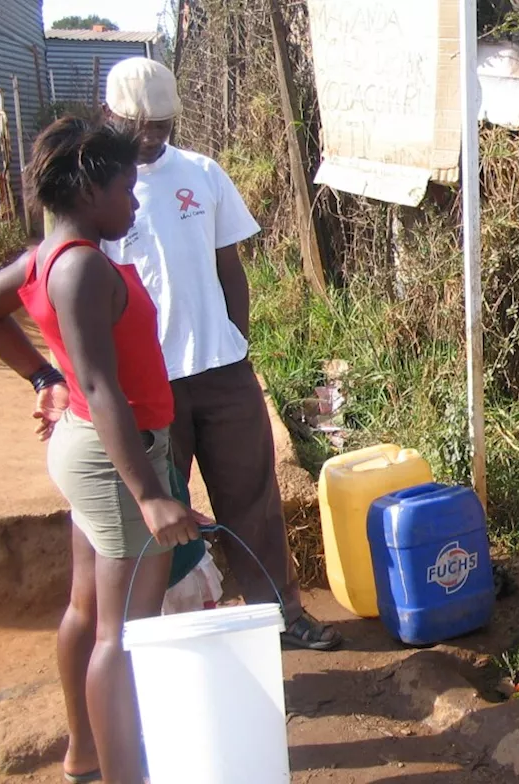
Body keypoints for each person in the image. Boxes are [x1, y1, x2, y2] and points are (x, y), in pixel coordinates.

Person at [0, 116, 209, 783]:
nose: (134, 203)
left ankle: (84, 754)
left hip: (91, 450)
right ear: (89, 187)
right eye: (128, 189)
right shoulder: (82, 269)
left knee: (88, 609)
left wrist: (45, 376)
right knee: (123, 634)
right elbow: (101, 387)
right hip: (113, 457)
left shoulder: (46, 257)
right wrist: (151, 495)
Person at [100, 57, 340, 650]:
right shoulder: (99, 194)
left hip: (222, 371)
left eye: (163, 124)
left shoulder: (202, 174)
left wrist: (236, 340)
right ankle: (157, 638)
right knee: (160, 508)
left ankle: (281, 614)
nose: (153, 136)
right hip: (148, 383)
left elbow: (229, 268)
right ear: (110, 116)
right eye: (141, 125)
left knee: (252, 498)